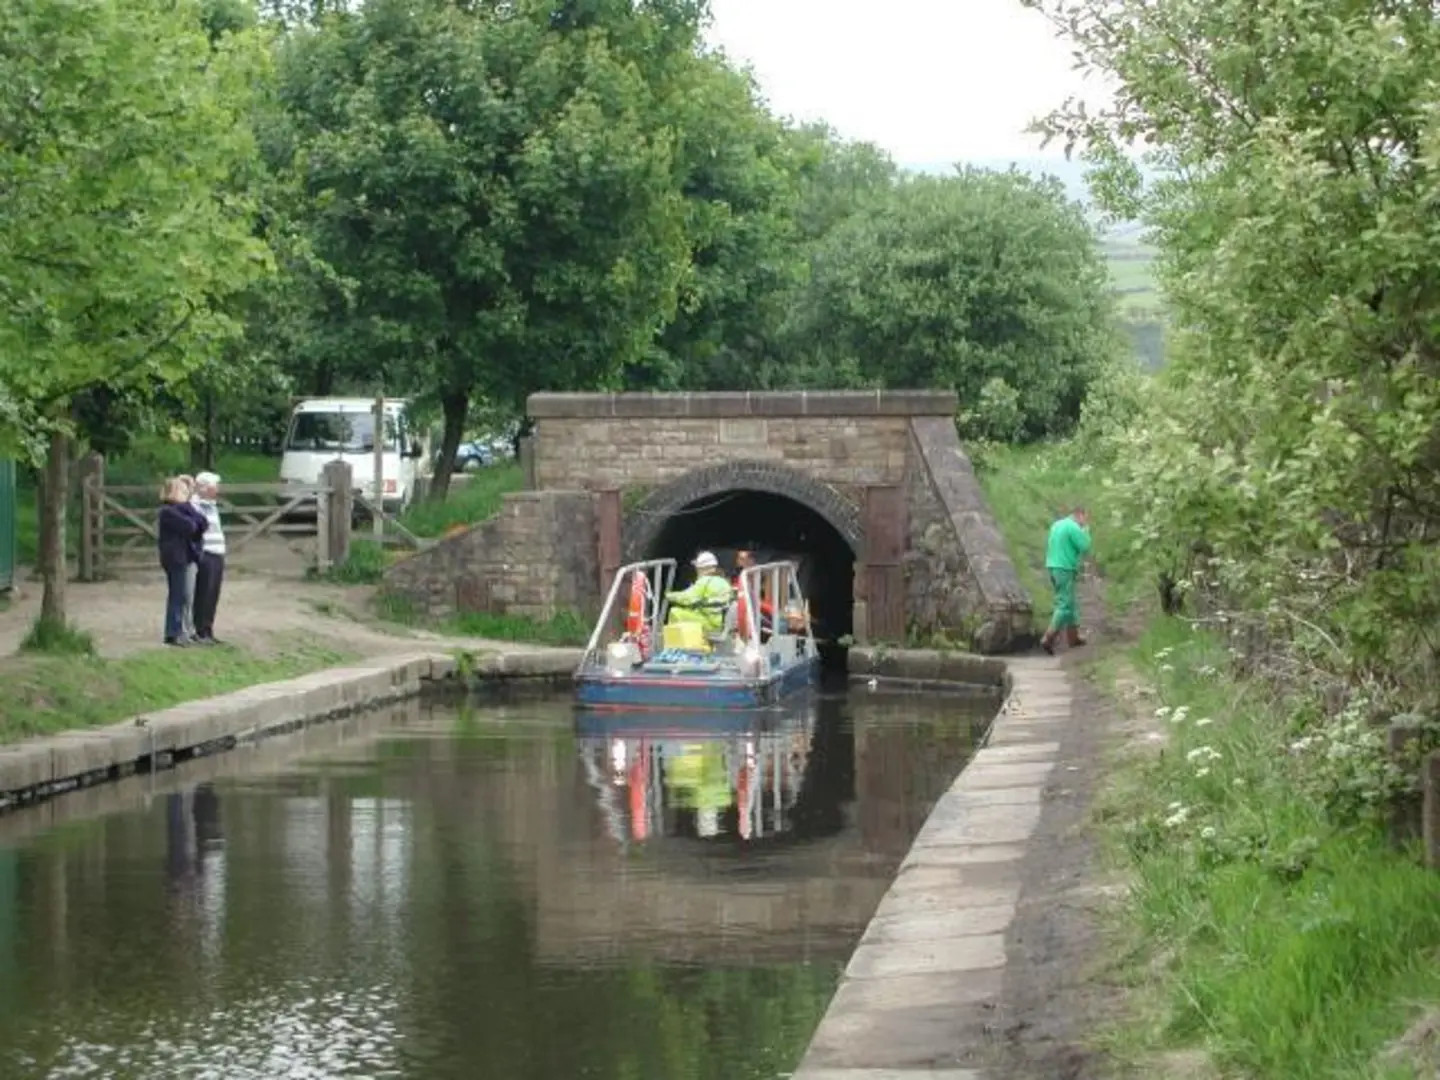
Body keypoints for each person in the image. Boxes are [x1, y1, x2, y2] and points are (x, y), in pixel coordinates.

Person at [157, 477, 207, 646]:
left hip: (185, 556)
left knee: (184, 595)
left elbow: (202, 522)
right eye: (184, 492)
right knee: (178, 595)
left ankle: (180, 631)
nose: (187, 495)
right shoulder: (168, 512)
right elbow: (190, 526)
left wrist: (189, 510)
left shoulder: (183, 509)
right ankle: (173, 632)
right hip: (175, 558)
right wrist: (191, 516)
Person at [1040, 506, 1092, 655]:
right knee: (1064, 604)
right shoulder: (1074, 527)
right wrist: (1085, 531)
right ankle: (1048, 637)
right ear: (1080, 515)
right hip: (1065, 568)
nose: (1084, 522)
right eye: (1085, 519)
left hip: (1052, 566)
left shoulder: (1057, 524)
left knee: (1071, 602)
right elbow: (1085, 546)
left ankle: (1073, 637)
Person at [190, 472, 227, 645]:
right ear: (204, 487)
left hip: (217, 552)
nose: (217, 490)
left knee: (213, 593)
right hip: (206, 552)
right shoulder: (196, 505)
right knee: (203, 592)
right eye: (214, 486)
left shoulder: (212, 505)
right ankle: (199, 630)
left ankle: (208, 629)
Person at [665, 551, 734, 633]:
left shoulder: (704, 581)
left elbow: (687, 598)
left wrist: (669, 595)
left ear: (702, 568)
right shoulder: (724, 582)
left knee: (675, 612)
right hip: (719, 622)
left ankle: (674, 643)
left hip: (709, 623)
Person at [176, 474, 201, 641]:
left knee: (190, 593)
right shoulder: (178, 509)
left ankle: (189, 627)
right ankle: (183, 628)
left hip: (192, 554)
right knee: (184, 593)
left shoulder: (193, 505)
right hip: (182, 555)